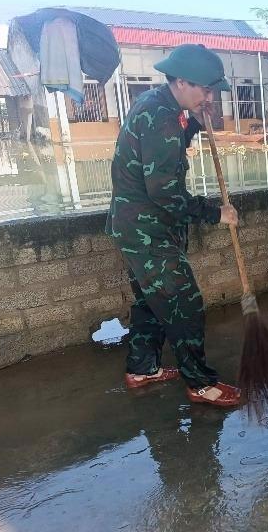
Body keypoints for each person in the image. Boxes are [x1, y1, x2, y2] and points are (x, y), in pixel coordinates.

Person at [106, 44, 241, 407]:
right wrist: (216, 213)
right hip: (147, 231)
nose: (209, 97)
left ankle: (142, 368)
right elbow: (165, 193)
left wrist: (195, 122)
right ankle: (200, 384)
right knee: (185, 304)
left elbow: (172, 148)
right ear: (181, 81)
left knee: (151, 302)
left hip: (137, 226)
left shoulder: (160, 104)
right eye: (204, 90)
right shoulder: (163, 118)